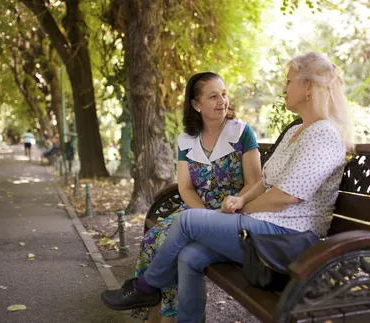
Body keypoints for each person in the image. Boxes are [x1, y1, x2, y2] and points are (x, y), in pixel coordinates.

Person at [101, 52, 355, 322]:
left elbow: (286, 197)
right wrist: (240, 200)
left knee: (187, 221)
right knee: (189, 256)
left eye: (289, 81)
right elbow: (265, 182)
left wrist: (242, 207)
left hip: (290, 238)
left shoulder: (324, 133)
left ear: (307, 87)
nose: (284, 88)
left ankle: (145, 288)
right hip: (265, 230)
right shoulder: (296, 131)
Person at [102, 72, 262, 322]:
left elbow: (255, 182)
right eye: (213, 96)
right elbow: (185, 188)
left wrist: (224, 211)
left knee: (170, 242)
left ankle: (150, 298)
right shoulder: (186, 140)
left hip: (234, 214)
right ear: (196, 105)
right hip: (196, 212)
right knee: (153, 238)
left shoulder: (241, 133)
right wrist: (204, 215)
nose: (222, 101)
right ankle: (160, 314)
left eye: (224, 94)